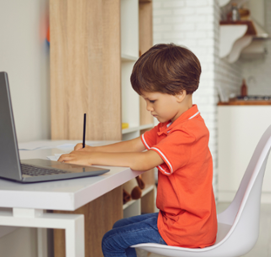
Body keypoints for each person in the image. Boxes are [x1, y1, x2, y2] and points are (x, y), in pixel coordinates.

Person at [58, 43, 217, 257]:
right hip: (179, 219)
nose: (148, 108)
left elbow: (144, 160)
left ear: (179, 93)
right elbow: (136, 144)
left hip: (186, 229)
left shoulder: (188, 133)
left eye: (152, 100)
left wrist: (91, 159)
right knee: (119, 226)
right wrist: (92, 151)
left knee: (111, 241)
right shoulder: (170, 124)